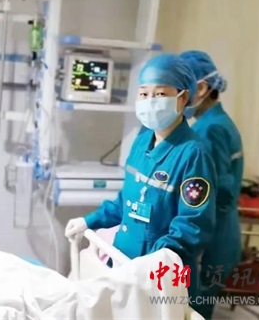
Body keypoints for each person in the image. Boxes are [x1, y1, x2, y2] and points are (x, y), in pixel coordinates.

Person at [64, 53, 217, 304]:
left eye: (160, 94)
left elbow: (193, 225)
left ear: (183, 98)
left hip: (158, 277)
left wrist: (151, 262)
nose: (150, 101)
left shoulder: (193, 154)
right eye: (144, 94)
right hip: (122, 264)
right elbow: (126, 202)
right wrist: (89, 221)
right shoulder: (142, 142)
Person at [179, 50, 244, 319]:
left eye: (181, 90)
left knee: (195, 309)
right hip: (217, 234)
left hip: (211, 240)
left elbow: (221, 193)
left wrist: (198, 235)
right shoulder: (215, 123)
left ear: (202, 88)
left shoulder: (210, 129)